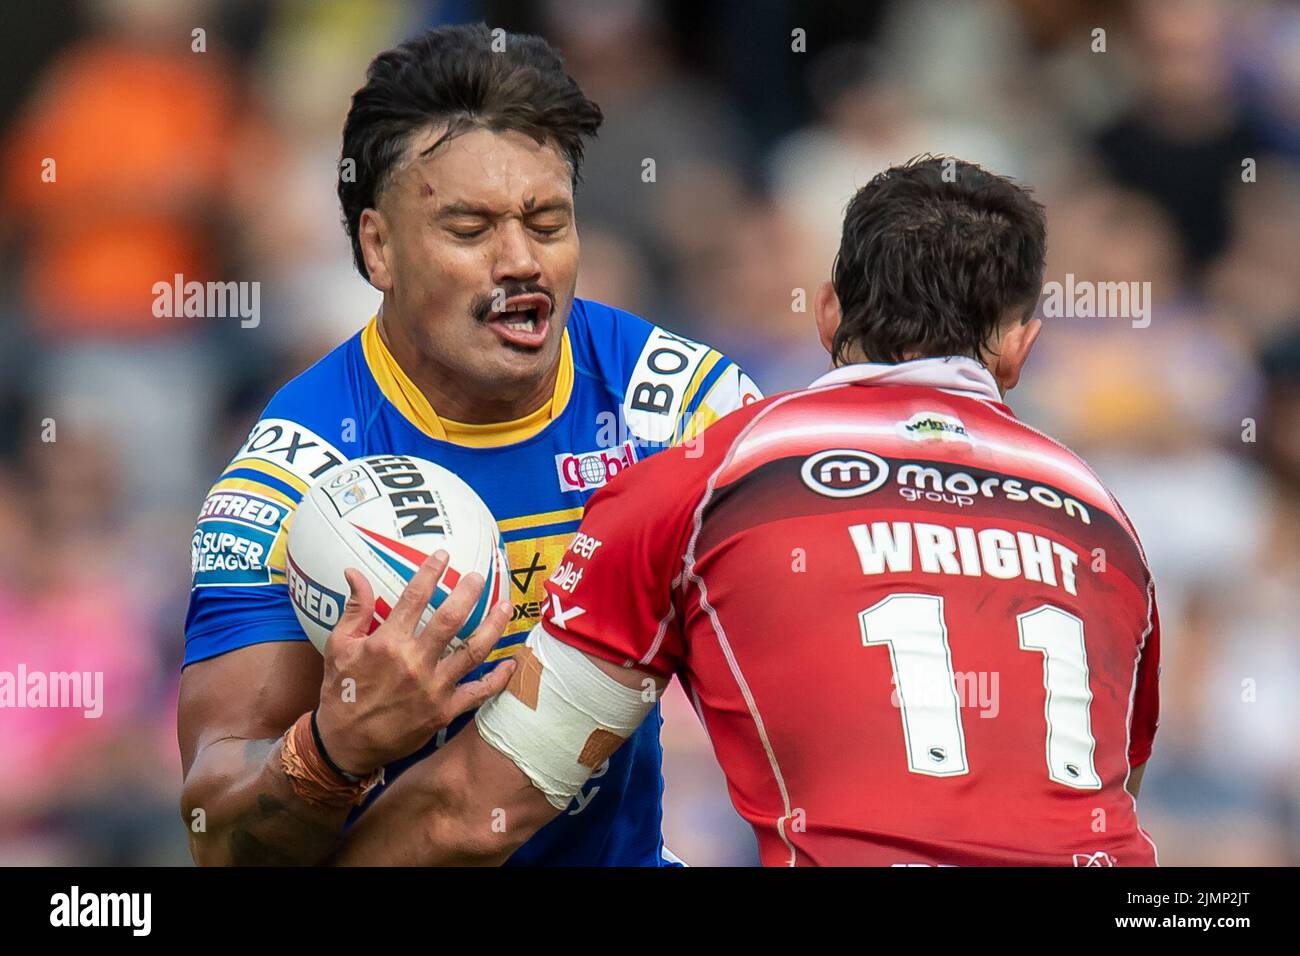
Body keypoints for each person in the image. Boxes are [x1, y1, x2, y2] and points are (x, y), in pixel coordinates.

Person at [336, 156, 1162, 867]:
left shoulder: (698, 482)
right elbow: (1105, 785)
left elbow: (478, 813)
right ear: (1021, 345)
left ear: (829, 311)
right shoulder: (1108, 522)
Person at [177, 23, 759, 866]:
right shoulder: (287, 480)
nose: (520, 260)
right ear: (377, 246)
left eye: (547, 222)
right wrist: (333, 751)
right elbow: (215, 836)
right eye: (470, 229)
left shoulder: (677, 411)